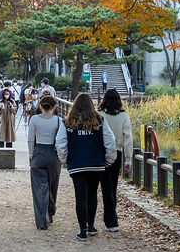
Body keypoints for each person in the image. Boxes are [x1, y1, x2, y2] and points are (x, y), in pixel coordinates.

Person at [56, 93, 116, 241]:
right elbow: (110, 142)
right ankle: (91, 225)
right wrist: (109, 160)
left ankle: (82, 230)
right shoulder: (99, 121)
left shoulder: (68, 122)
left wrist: (64, 160)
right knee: (92, 194)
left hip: (77, 164)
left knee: (80, 196)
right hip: (96, 164)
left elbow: (61, 143)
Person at [97, 88, 133, 232]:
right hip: (117, 154)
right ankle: (110, 216)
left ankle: (110, 220)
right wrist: (128, 159)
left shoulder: (99, 115)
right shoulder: (123, 117)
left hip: (102, 154)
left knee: (106, 186)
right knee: (113, 186)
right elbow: (128, 140)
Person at [27, 93, 62, 229]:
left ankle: (42, 221)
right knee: (53, 186)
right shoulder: (58, 121)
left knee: (39, 188)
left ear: (40, 106)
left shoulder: (34, 120)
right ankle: (50, 211)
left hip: (39, 153)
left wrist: (31, 154)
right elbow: (61, 140)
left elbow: (31, 139)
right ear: (54, 106)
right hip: (53, 154)